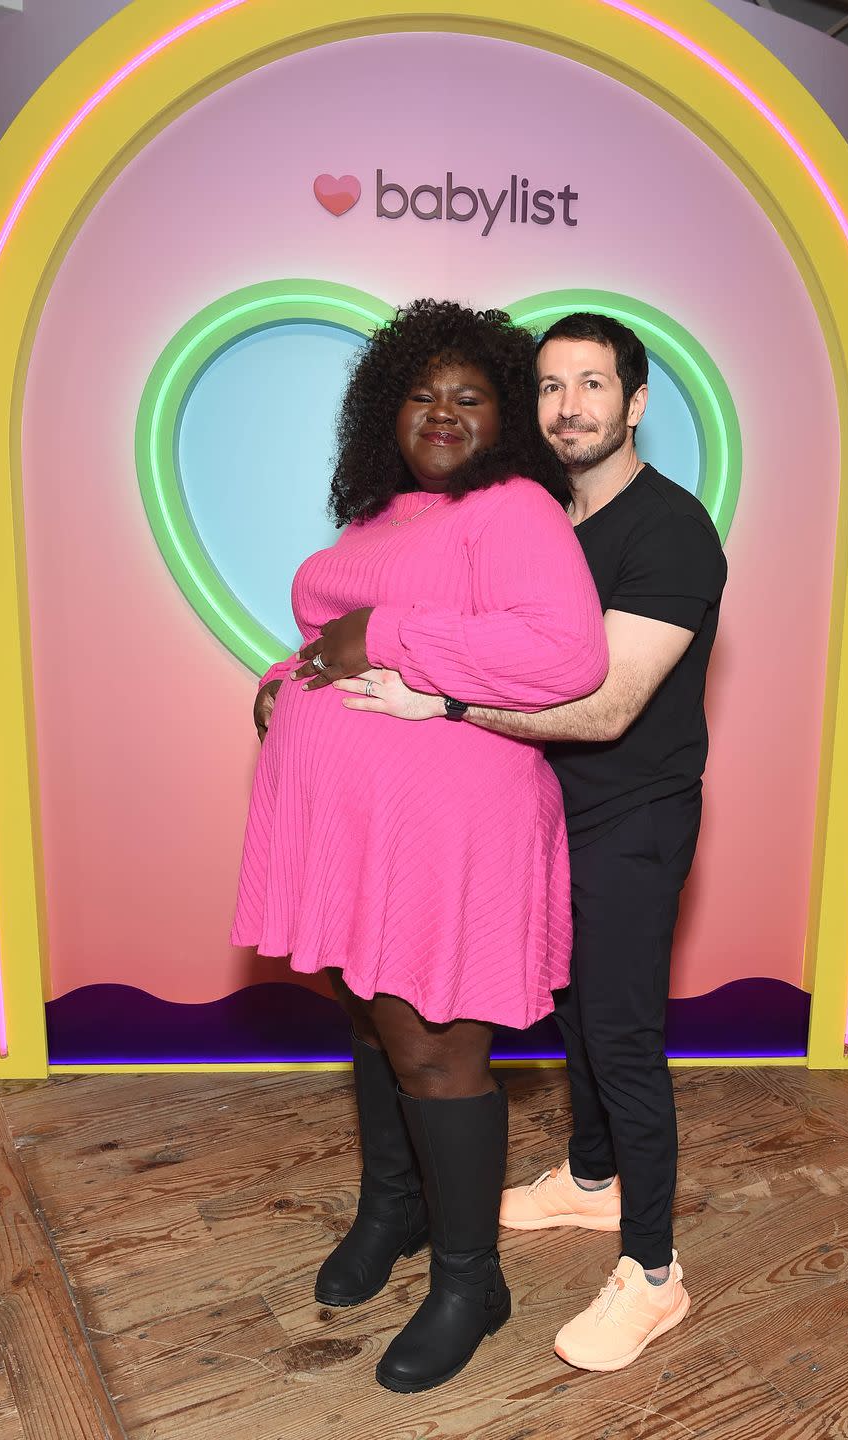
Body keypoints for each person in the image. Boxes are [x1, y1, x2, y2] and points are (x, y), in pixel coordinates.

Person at [335, 311, 726, 1374]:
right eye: (550, 387)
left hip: (630, 815)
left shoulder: (670, 531)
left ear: (635, 402)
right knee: (566, 1015)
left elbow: (603, 710)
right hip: (536, 809)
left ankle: (653, 1275)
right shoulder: (539, 514)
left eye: (593, 386)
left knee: (620, 1035)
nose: (570, 408)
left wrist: (446, 707)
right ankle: (591, 1184)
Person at [231, 299, 609, 1393]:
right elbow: (319, 647)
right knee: (371, 1012)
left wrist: (381, 636)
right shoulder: (380, 520)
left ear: (506, 420)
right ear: (384, 413)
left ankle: (469, 1281)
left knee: (440, 1047)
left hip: (445, 831)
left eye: (470, 397)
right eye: (421, 395)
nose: (441, 413)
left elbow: (566, 655)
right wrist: (277, 689)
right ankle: (392, 1211)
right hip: (349, 827)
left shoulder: (516, 509)